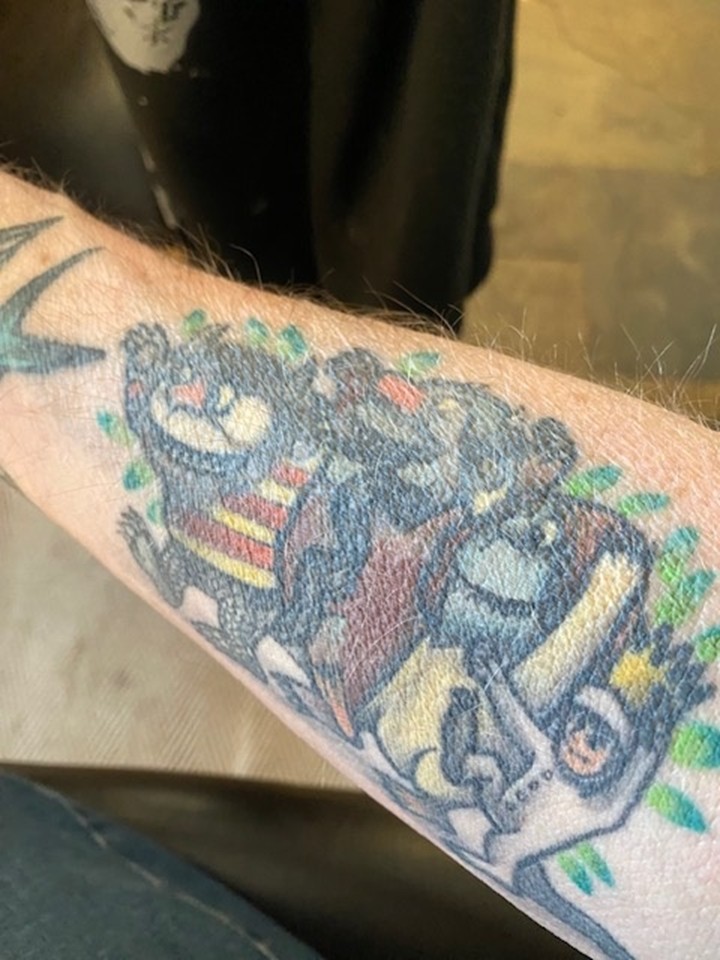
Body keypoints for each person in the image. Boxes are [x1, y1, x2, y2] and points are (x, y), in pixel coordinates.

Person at [0, 169, 718, 960]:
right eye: (181, 405)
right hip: (398, 654)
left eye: (205, 391)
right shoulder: (207, 519)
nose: (206, 404)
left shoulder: (351, 432)